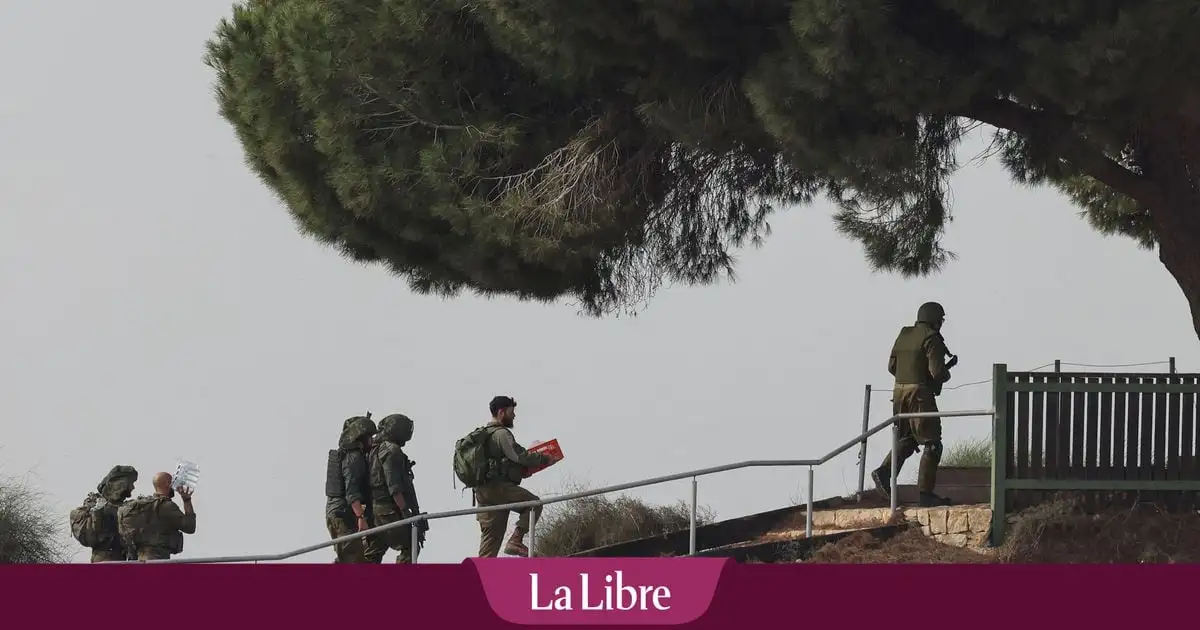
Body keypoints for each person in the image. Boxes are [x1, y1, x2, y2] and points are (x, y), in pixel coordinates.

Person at [871, 302, 957, 507]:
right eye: (941, 320)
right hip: (919, 395)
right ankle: (926, 494)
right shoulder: (931, 338)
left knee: (908, 438)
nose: (942, 324)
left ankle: (884, 472)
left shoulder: (904, 334)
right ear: (934, 320)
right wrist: (947, 371)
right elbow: (937, 373)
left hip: (899, 392)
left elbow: (892, 366)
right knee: (933, 443)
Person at [473, 395, 554, 558]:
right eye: (511, 411)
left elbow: (506, 463)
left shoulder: (483, 436)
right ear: (501, 412)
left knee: (490, 541)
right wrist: (545, 458)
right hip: (498, 488)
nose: (514, 415)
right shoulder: (501, 434)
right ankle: (515, 540)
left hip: (482, 493)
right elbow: (520, 456)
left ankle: (478, 578)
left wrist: (521, 471)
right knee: (534, 504)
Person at [364, 413, 424, 564]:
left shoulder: (374, 449)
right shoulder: (391, 451)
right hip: (388, 510)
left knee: (375, 549)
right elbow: (394, 486)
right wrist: (405, 511)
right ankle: (400, 582)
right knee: (411, 544)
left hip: (375, 509)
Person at [325, 414, 377, 563]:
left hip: (338, 514)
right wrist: (361, 518)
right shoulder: (354, 458)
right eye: (369, 437)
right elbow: (352, 492)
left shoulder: (347, 455)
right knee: (354, 560)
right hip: (343, 516)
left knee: (348, 558)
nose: (372, 441)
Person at [117, 471, 197, 561]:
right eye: (172, 482)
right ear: (167, 484)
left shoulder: (143, 506)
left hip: (138, 558)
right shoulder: (166, 506)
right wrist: (186, 500)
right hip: (158, 558)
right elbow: (190, 527)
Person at [69, 465, 139, 562]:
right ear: (120, 484)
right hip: (105, 560)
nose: (132, 487)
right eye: (130, 483)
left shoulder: (129, 508)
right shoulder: (96, 506)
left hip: (125, 559)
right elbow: (91, 537)